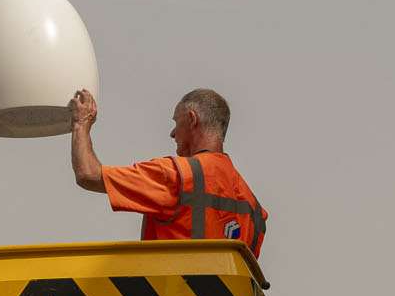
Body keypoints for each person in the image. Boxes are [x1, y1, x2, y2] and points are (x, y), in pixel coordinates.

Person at [69, 86, 266, 257]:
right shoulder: (253, 208)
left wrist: (81, 124)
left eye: (176, 122)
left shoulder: (176, 175)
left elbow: (88, 174)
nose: (172, 133)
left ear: (191, 119)